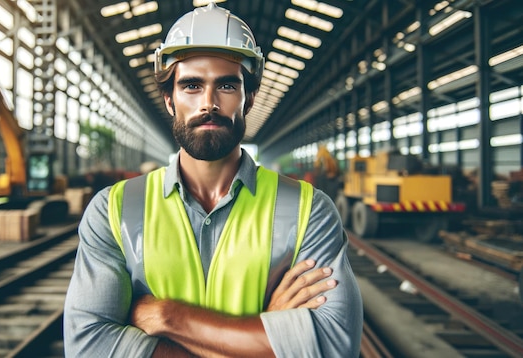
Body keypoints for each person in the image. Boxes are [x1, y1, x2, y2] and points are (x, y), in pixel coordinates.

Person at [64, 2, 363, 357]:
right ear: (169, 100)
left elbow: (334, 344)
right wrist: (271, 336)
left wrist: (169, 316)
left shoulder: (308, 210)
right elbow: (88, 347)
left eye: (226, 85)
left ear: (248, 99)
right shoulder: (113, 210)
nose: (209, 103)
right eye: (191, 85)